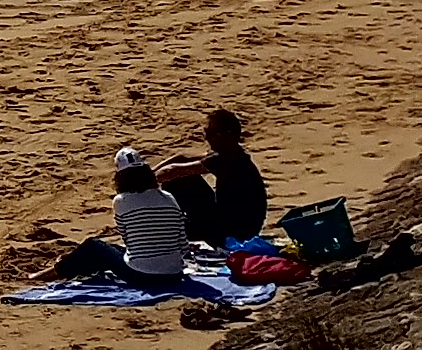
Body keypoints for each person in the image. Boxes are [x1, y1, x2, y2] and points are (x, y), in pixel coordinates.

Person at [50, 149, 193, 288]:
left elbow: (127, 238)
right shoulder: (168, 197)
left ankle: (59, 270)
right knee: (109, 250)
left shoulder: (121, 201)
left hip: (142, 275)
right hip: (175, 273)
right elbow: (182, 240)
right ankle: (64, 268)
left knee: (93, 246)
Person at [155, 108, 267, 244]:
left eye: (212, 133)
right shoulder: (233, 153)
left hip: (235, 233)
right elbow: (182, 158)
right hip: (235, 224)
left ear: (228, 135)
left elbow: (172, 171)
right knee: (182, 180)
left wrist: (142, 182)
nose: (207, 138)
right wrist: (146, 173)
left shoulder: (228, 159)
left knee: (177, 180)